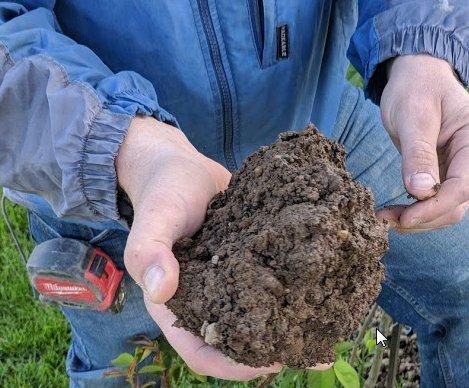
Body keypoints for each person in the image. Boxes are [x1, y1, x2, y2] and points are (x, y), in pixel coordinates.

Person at [0, 0, 468, 386]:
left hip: (308, 147)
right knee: (122, 368)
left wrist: (421, 44)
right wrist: (122, 145)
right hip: (100, 178)